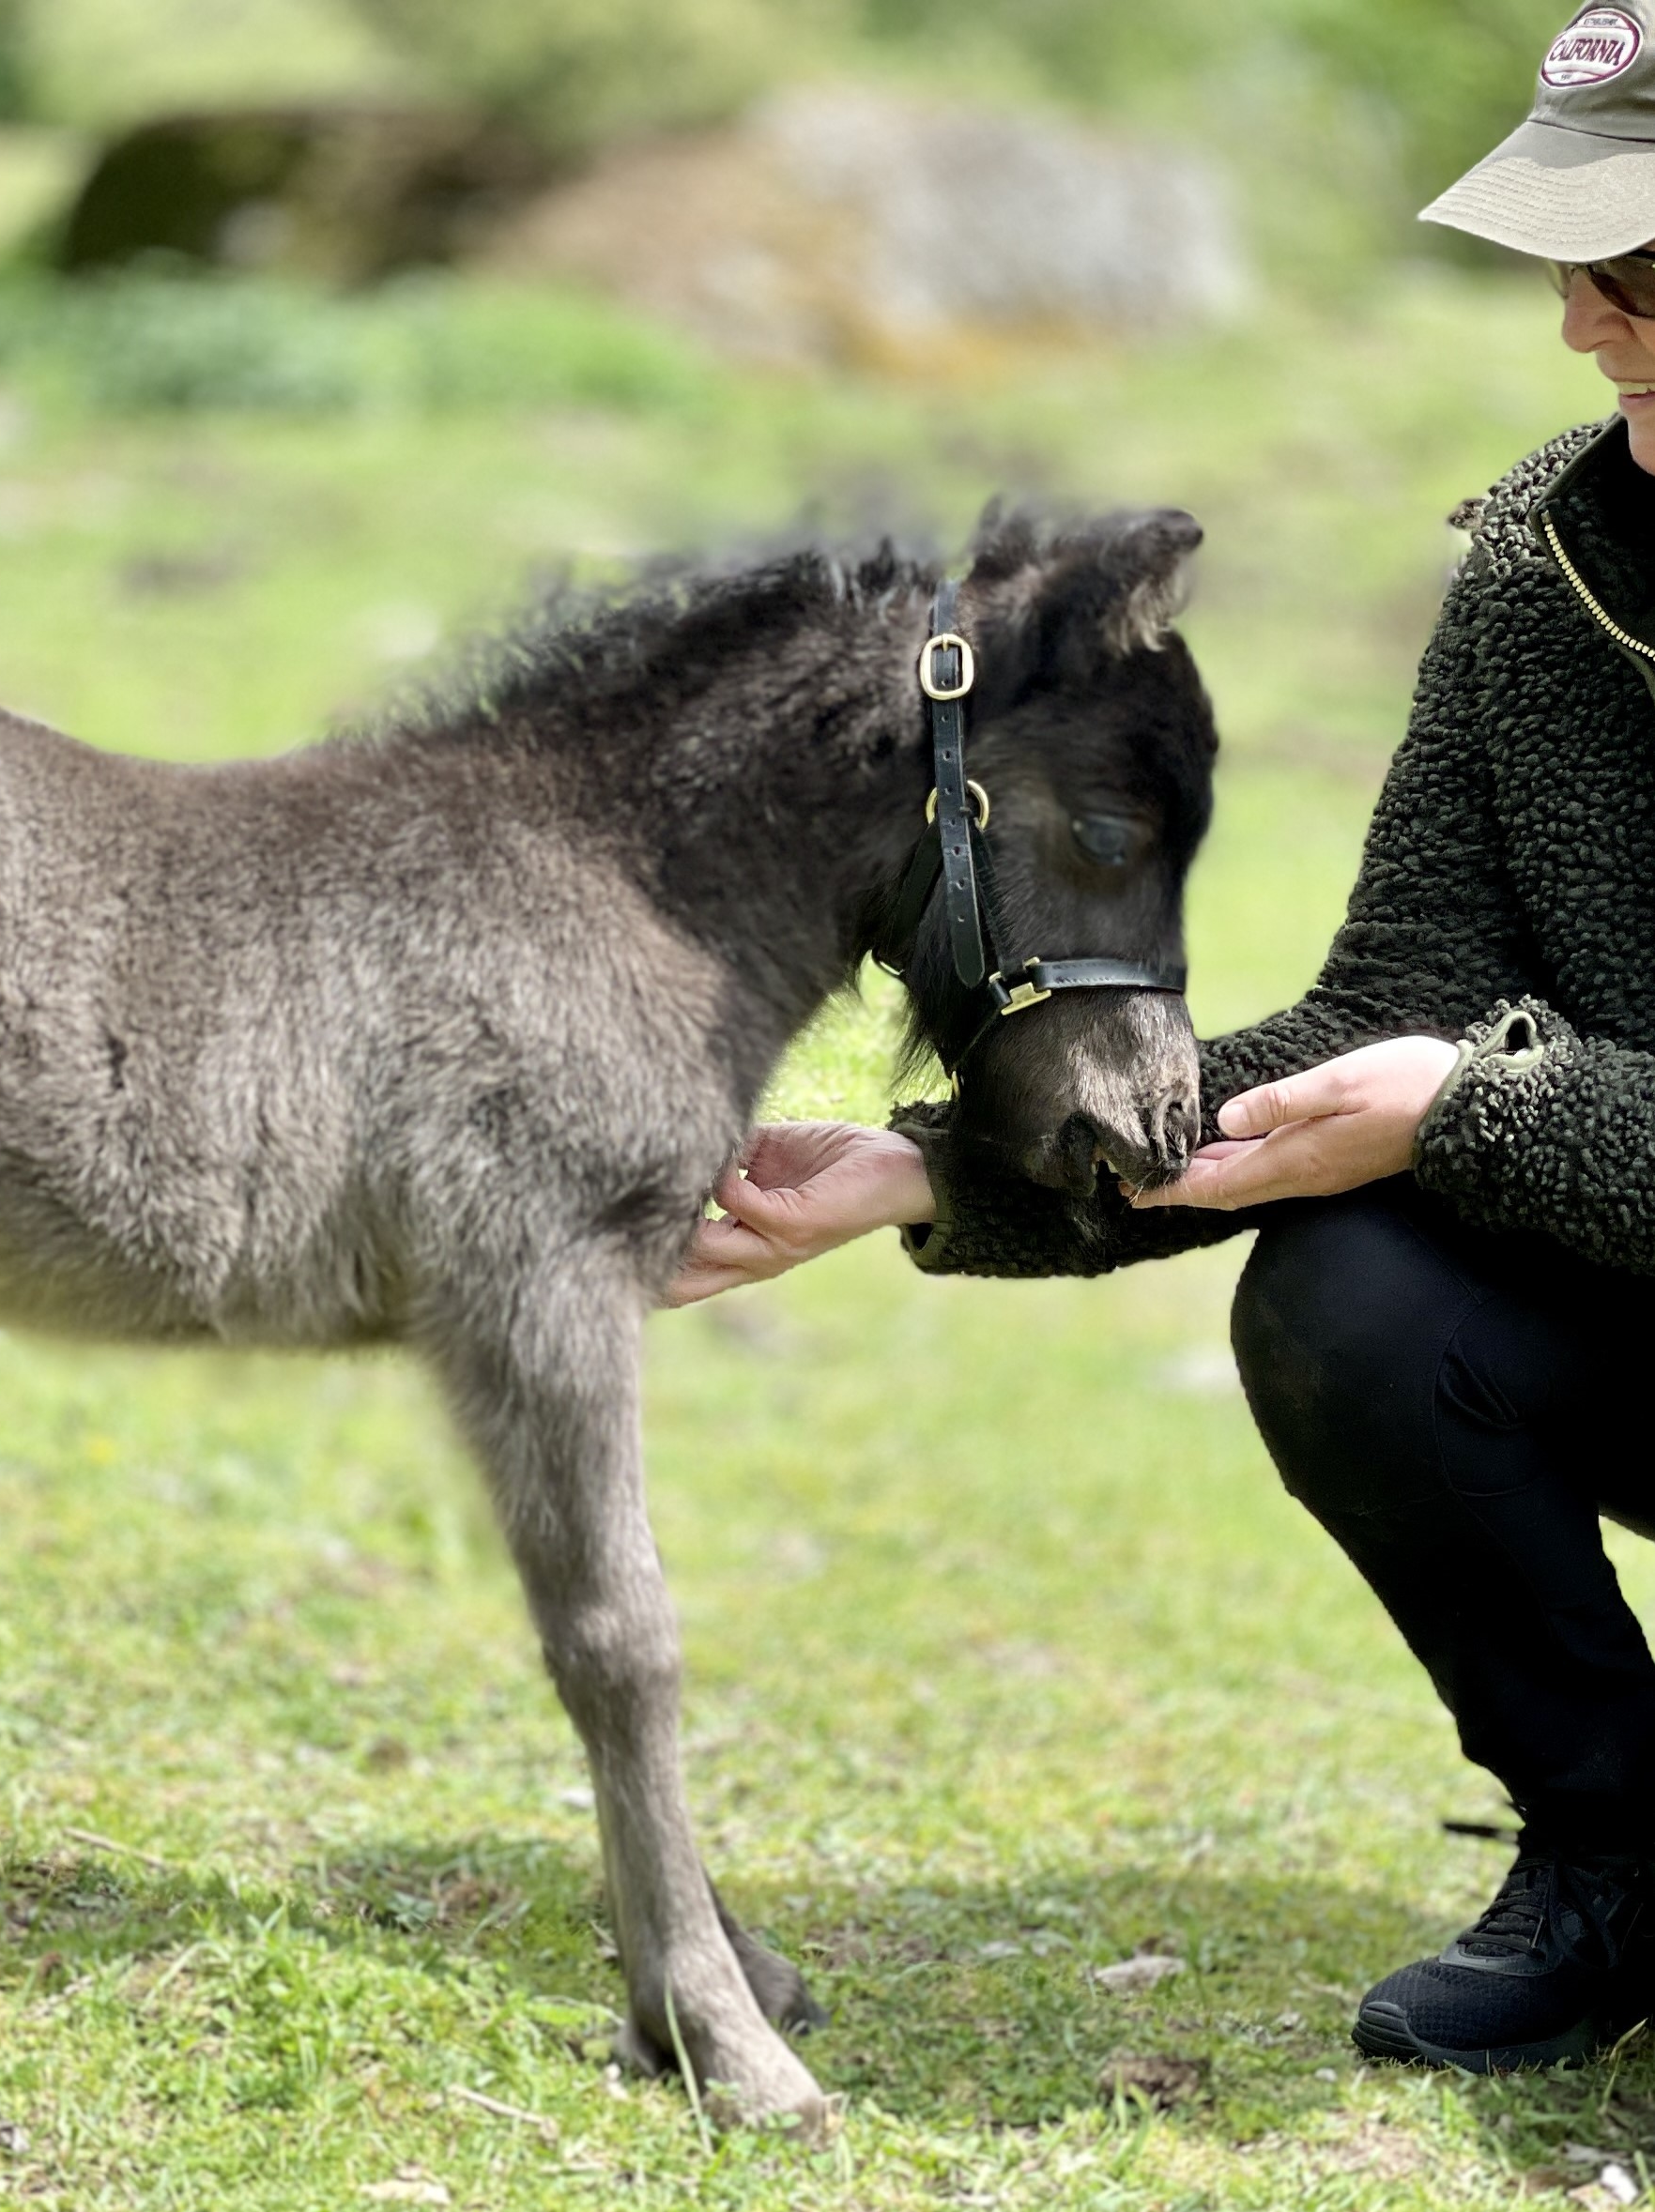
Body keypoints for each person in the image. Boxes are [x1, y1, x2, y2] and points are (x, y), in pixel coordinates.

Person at [671, 3, 1655, 2076]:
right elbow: (1387, 1016)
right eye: (1573, 268)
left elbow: (1445, 1085)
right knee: (1354, 1297)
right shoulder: (1542, 572)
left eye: (1636, 274)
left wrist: (1484, 1109)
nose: (1584, 328)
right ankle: (1619, 1854)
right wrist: (939, 1166)